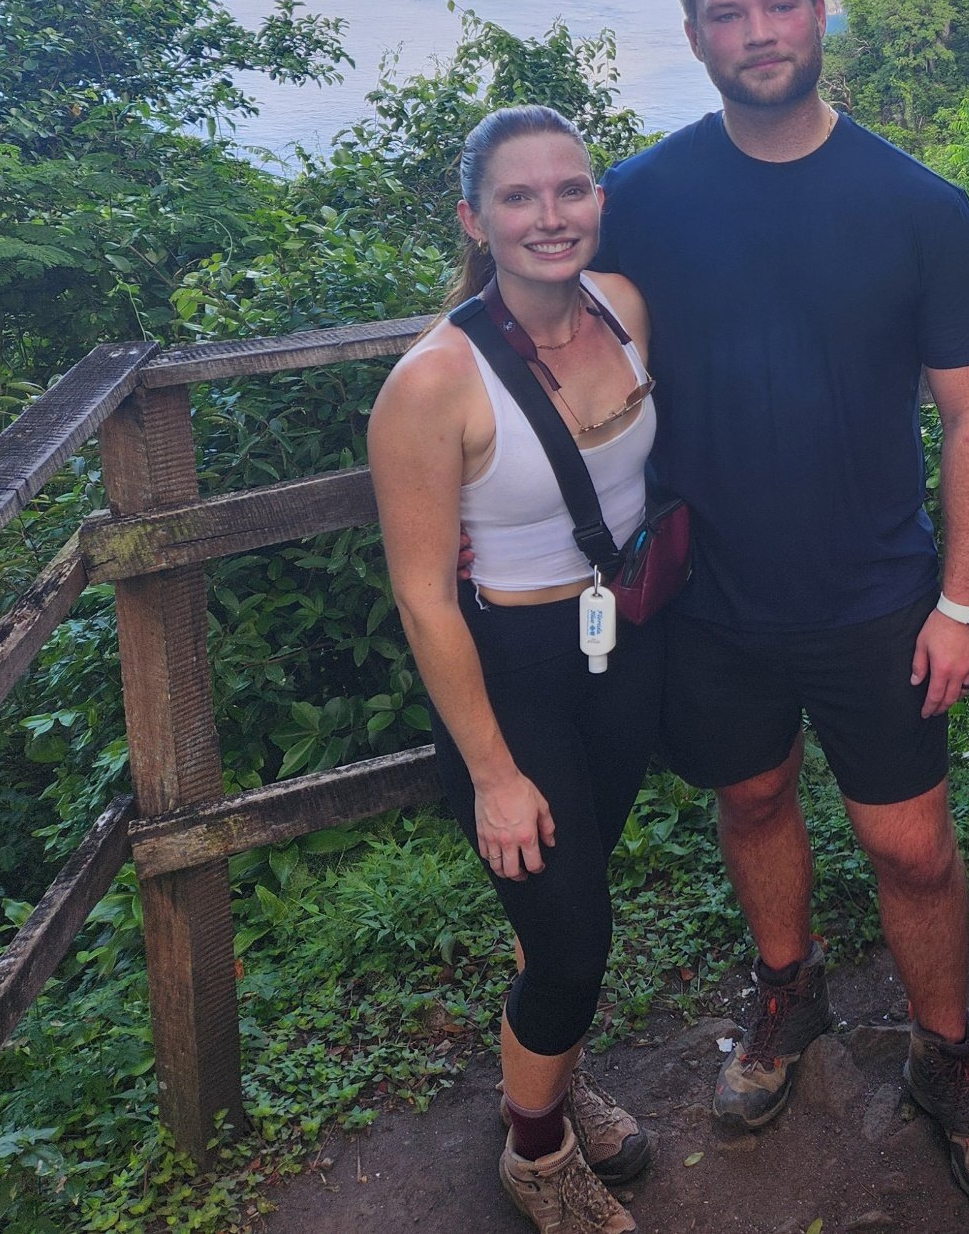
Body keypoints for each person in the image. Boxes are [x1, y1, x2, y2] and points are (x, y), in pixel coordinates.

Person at [596, 0, 969, 1215]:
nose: (758, 32)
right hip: (713, 593)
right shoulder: (642, 199)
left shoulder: (918, 207)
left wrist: (961, 600)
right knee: (751, 800)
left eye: (777, 5)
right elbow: (542, 345)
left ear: (820, 11)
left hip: (874, 595)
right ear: (694, 36)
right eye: (727, 14)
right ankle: (790, 989)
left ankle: (948, 1054)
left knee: (911, 845)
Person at [370, 106, 665, 1234]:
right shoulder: (433, 384)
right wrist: (492, 772)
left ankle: (546, 1070)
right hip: (509, 670)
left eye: (572, 190)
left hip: (622, 645)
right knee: (574, 935)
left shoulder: (625, 310)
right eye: (520, 196)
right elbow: (422, 594)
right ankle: (534, 1155)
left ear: (598, 200)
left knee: (570, 908)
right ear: (474, 218)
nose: (552, 216)